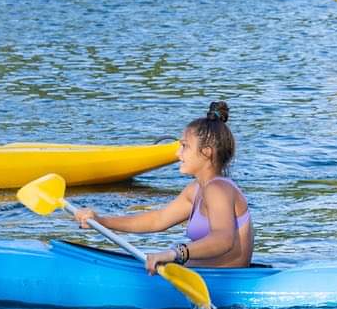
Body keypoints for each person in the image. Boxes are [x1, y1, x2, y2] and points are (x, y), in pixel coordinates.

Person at [74, 101, 253, 274]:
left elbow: (223, 239)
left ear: (206, 152)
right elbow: (157, 220)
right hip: (201, 271)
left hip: (226, 281)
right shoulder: (196, 189)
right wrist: (101, 221)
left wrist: (175, 253)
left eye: (184, 146)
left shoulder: (218, 189)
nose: (177, 153)